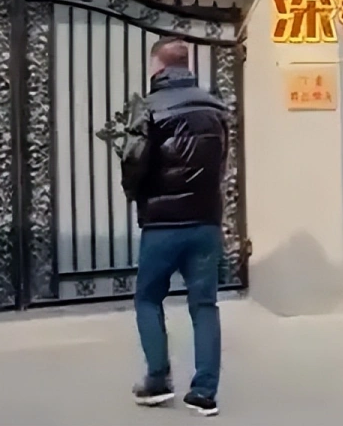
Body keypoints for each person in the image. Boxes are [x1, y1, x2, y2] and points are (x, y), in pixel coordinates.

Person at [121, 36, 229, 417]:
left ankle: (157, 380)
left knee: (148, 298)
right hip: (205, 223)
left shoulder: (149, 108)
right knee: (204, 305)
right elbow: (221, 163)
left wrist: (136, 195)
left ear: (158, 66)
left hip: (162, 225)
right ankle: (205, 392)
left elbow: (133, 163)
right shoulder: (215, 107)